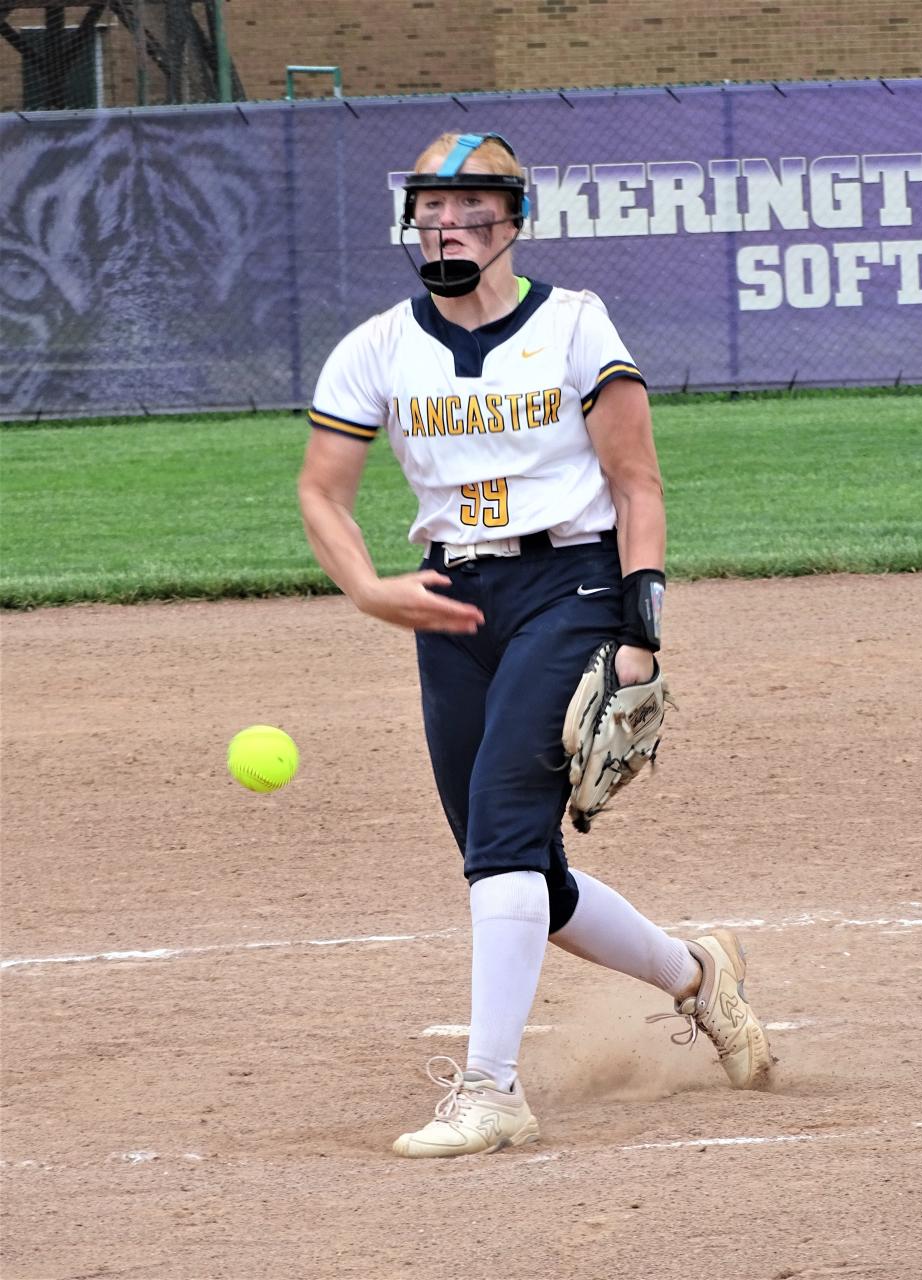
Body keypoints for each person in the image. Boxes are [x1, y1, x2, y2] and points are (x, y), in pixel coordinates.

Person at [298, 131, 773, 1159]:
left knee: (507, 832)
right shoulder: (381, 344)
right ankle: (700, 974)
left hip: (574, 582)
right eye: (432, 208)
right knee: (515, 868)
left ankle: (491, 1088)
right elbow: (321, 488)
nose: (448, 225)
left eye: (471, 209)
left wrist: (643, 633)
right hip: (451, 594)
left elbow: (638, 482)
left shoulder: (573, 325)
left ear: (514, 221)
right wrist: (371, 586)